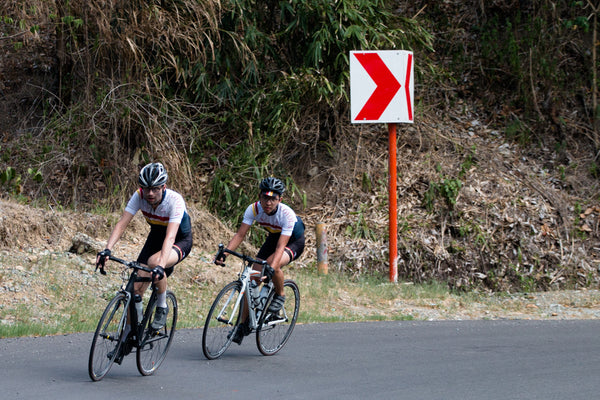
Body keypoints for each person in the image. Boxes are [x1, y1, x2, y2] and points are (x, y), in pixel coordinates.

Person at [96, 162, 193, 335]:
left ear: (163, 186)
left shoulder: (174, 201)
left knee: (154, 262)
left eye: (155, 189)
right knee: (134, 288)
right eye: (146, 188)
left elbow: (170, 237)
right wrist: (107, 249)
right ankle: (131, 332)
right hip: (156, 236)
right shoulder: (139, 196)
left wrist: (160, 265)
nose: (150, 193)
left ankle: (162, 307)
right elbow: (122, 224)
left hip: (179, 239)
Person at [215, 177, 305, 344]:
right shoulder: (254, 209)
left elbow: (280, 248)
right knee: (250, 278)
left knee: (273, 264)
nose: (268, 202)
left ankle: (280, 295)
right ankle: (242, 326)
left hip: (293, 241)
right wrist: (225, 254)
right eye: (265, 197)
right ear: (260, 197)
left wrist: (271, 267)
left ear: (280, 199)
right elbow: (240, 235)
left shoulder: (287, 215)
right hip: (273, 237)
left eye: (273, 199)